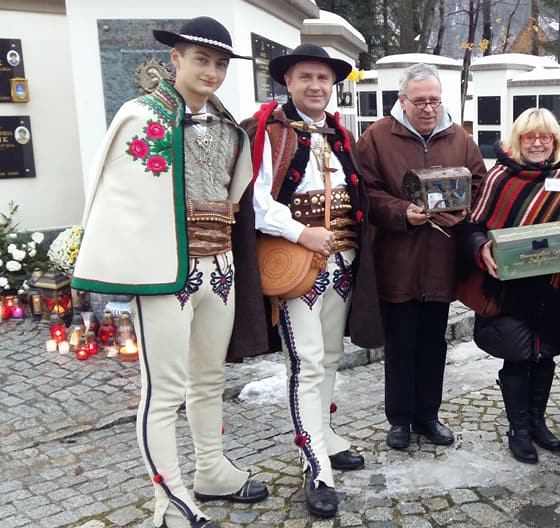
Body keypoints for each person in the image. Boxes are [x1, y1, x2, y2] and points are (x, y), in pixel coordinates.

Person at [71, 17, 269, 528]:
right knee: (163, 389)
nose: (212, 71)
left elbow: (234, 193)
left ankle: (211, 470)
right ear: (175, 59)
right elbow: (124, 199)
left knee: (209, 378)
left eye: (220, 63)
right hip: (167, 272)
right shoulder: (141, 118)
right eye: (201, 60)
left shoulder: (226, 126)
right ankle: (169, 498)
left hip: (219, 268)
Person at [243, 43, 382, 519]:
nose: (316, 86)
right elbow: (257, 199)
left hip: (342, 260)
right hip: (296, 264)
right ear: (288, 81)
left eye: (323, 78)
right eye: (306, 77)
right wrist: (301, 233)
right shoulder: (269, 130)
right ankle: (314, 462)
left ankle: (324, 434)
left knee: (331, 357)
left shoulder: (340, 133)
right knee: (305, 362)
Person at [355, 63, 486, 450]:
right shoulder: (377, 137)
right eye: (420, 101)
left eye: (434, 100)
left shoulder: (459, 138)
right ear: (402, 100)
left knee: (433, 342)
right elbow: (366, 192)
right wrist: (401, 212)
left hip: (441, 260)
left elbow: (478, 182)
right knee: (400, 343)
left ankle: (428, 416)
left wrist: (463, 210)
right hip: (398, 260)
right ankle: (399, 419)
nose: (429, 108)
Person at [462, 108, 560, 463]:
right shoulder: (499, 178)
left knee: (545, 354)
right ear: (518, 140)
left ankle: (538, 423)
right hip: (510, 287)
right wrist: (481, 248)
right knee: (517, 356)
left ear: (555, 141)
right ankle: (519, 430)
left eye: (545, 137)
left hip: (556, 287)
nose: (537, 143)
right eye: (529, 137)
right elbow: (473, 225)